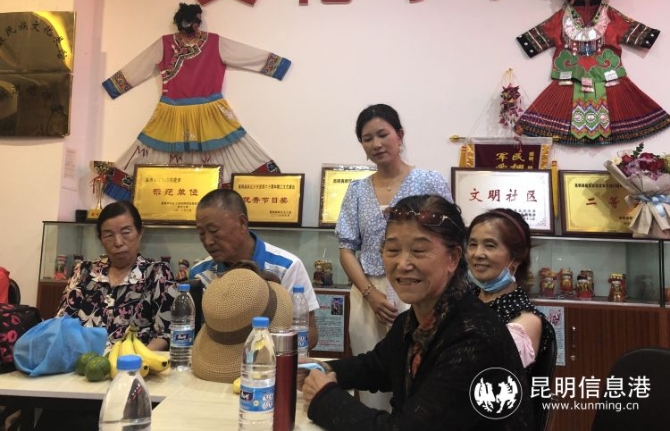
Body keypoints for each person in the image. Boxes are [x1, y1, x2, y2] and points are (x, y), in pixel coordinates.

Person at [301, 195, 533, 430]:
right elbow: (377, 366)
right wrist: (318, 369)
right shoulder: (414, 319)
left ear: (453, 258)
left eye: (419, 250)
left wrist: (324, 398)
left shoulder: (473, 337)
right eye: (392, 249)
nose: (403, 264)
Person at [100, 3, 291, 200]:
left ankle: (229, 190)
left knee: (227, 149)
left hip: (209, 108)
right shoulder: (165, 44)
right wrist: (115, 85)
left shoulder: (213, 42)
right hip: (173, 108)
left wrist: (275, 65)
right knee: (159, 151)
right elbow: (142, 63)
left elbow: (242, 53)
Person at [335, 103, 452, 409]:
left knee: (418, 376)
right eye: (367, 138)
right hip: (367, 293)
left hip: (420, 289)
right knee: (370, 381)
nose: (376, 144)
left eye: (383, 134)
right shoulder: (356, 190)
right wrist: (370, 294)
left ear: (400, 135)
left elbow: (450, 238)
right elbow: (346, 249)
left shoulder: (429, 181)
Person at [514, 0, 670, 145]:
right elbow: (530, 42)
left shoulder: (611, 17)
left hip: (609, 80)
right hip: (568, 81)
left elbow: (646, 37)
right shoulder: (561, 19)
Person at [190, 188, 320, 348]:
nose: (208, 241)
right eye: (201, 233)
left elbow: (309, 335)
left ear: (242, 223)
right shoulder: (200, 274)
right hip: (215, 360)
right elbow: (191, 334)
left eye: (214, 231)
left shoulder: (287, 267)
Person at [56, 200, 177, 350]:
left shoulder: (157, 274)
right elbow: (62, 324)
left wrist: (136, 359)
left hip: (136, 362)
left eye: (126, 232)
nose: (118, 242)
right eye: (109, 235)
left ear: (140, 233)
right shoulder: (84, 271)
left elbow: (165, 334)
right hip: (83, 361)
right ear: (100, 239)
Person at [465, 208, 552, 369]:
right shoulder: (464, 298)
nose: (477, 254)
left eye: (490, 246)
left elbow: (483, 372)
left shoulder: (525, 320)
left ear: (517, 257)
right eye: (472, 244)